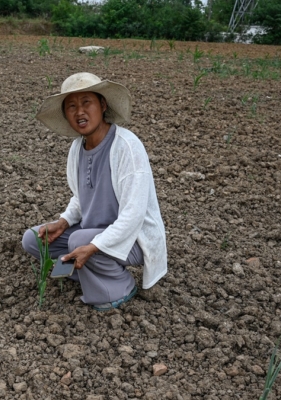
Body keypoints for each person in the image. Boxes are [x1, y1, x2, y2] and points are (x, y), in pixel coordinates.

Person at [21, 72, 167, 311]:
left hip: (134, 239)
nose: (79, 112)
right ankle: (89, 270)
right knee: (34, 240)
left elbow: (134, 215)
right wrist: (64, 221)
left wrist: (95, 245)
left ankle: (121, 286)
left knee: (80, 241)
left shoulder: (126, 147)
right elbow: (81, 196)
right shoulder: (77, 149)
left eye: (86, 102)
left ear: (102, 104)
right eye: (71, 106)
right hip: (92, 231)